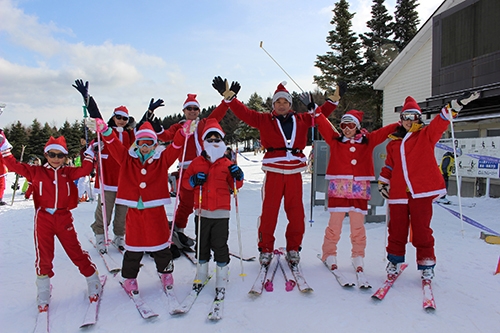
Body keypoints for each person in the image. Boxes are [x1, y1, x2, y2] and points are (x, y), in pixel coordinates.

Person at [211, 76, 343, 266]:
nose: (281, 105)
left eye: (285, 102)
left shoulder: (302, 119)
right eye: (278, 102)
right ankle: (265, 248)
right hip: (273, 172)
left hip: (294, 174)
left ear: (290, 103)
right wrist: (230, 98)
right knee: (269, 213)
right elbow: (245, 113)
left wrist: (333, 100)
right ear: (273, 104)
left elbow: (320, 113)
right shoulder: (264, 119)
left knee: (296, 214)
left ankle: (293, 248)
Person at [86, 111, 190, 295]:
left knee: (160, 245)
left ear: (154, 144)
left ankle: (166, 274)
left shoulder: (161, 160)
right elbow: (114, 145)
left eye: (149, 143)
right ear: (137, 143)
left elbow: (175, 148)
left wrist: (183, 133)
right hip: (133, 209)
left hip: (155, 210)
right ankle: (130, 278)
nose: (145, 146)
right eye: (142, 142)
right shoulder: (127, 159)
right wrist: (105, 130)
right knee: (133, 247)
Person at [378, 92, 479, 280]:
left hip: (420, 193)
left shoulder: (425, 135)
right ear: (401, 120)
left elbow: (440, 122)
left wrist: (455, 105)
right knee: (396, 229)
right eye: (405, 117)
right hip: (399, 193)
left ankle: (426, 263)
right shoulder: (393, 143)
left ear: (418, 118)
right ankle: (394, 260)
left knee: (422, 229)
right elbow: (390, 166)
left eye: (413, 116)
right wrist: (383, 181)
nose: (409, 120)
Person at [0, 133, 102, 311]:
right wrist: (4, 147)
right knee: (44, 255)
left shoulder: (67, 172)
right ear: (46, 155)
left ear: (65, 157)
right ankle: (43, 290)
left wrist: (90, 153)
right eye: (52, 154)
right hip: (44, 218)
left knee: (74, 250)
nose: (56, 159)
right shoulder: (36, 171)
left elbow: (85, 170)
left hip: (63, 218)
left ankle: (92, 278)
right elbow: (13, 165)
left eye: (60, 155)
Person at [311, 103, 398, 274]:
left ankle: (358, 255)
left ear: (357, 126)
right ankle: (329, 253)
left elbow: (383, 132)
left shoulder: (368, 141)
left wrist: (400, 124)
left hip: (359, 189)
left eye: (350, 125)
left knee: (357, 226)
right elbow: (325, 125)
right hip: (339, 188)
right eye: (343, 125)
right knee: (334, 225)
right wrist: (316, 111)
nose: (346, 129)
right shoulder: (335, 141)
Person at [152, 93, 231, 250]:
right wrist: (157, 127)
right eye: (189, 108)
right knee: (186, 203)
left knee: (206, 201)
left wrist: (227, 101)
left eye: (195, 108)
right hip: (187, 168)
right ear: (184, 110)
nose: (192, 111)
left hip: (205, 166)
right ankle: (178, 229)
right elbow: (166, 135)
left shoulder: (204, 124)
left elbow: (218, 114)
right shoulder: (179, 127)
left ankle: (207, 232)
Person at [182, 118, 244, 294]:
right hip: (202, 212)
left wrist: (238, 176)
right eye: (210, 140)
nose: (214, 143)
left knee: (220, 244)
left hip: (221, 213)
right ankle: (201, 273)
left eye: (217, 140)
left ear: (222, 142)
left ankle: (221, 275)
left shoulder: (227, 163)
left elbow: (236, 186)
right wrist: (194, 180)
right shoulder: (196, 162)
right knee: (201, 244)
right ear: (204, 142)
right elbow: (185, 182)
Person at [73, 79, 135, 253]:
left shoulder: (131, 135)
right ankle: (100, 236)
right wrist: (87, 98)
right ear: (113, 117)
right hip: (108, 180)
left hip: (125, 181)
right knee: (104, 211)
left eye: (125, 118)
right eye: (119, 117)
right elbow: (96, 116)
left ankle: (119, 236)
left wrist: (150, 112)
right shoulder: (105, 131)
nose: (121, 121)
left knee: (123, 212)